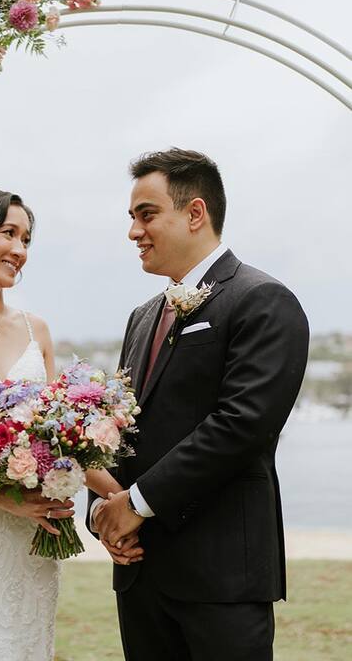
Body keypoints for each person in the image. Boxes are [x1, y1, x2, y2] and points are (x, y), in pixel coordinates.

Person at [87, 148, 309, 661]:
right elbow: (119, 429)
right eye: (131, 217)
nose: (133, 232)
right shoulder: (142, 317)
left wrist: (134, 504)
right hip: (140, 573)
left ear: (195, 213)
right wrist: (102, 511)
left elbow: (241, 425)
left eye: (147, 215)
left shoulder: (262, 300)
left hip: (220, 575)